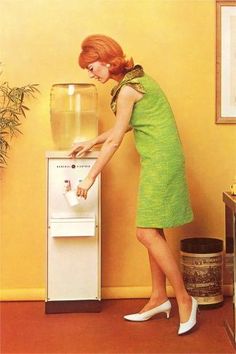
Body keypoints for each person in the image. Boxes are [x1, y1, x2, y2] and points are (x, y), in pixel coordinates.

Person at [70, 34, 198, 335]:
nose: (90, 74)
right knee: (153, 229)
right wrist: (92, 140)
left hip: (162, 163)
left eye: (91, 67)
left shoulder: (128, 89)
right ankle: (158, 297)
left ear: (105, 59)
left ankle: (185, 299)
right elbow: (126, 125)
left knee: (145, 232)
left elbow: (116, 139)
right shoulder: (136, 79)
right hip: (158, 160)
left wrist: (89, 178)